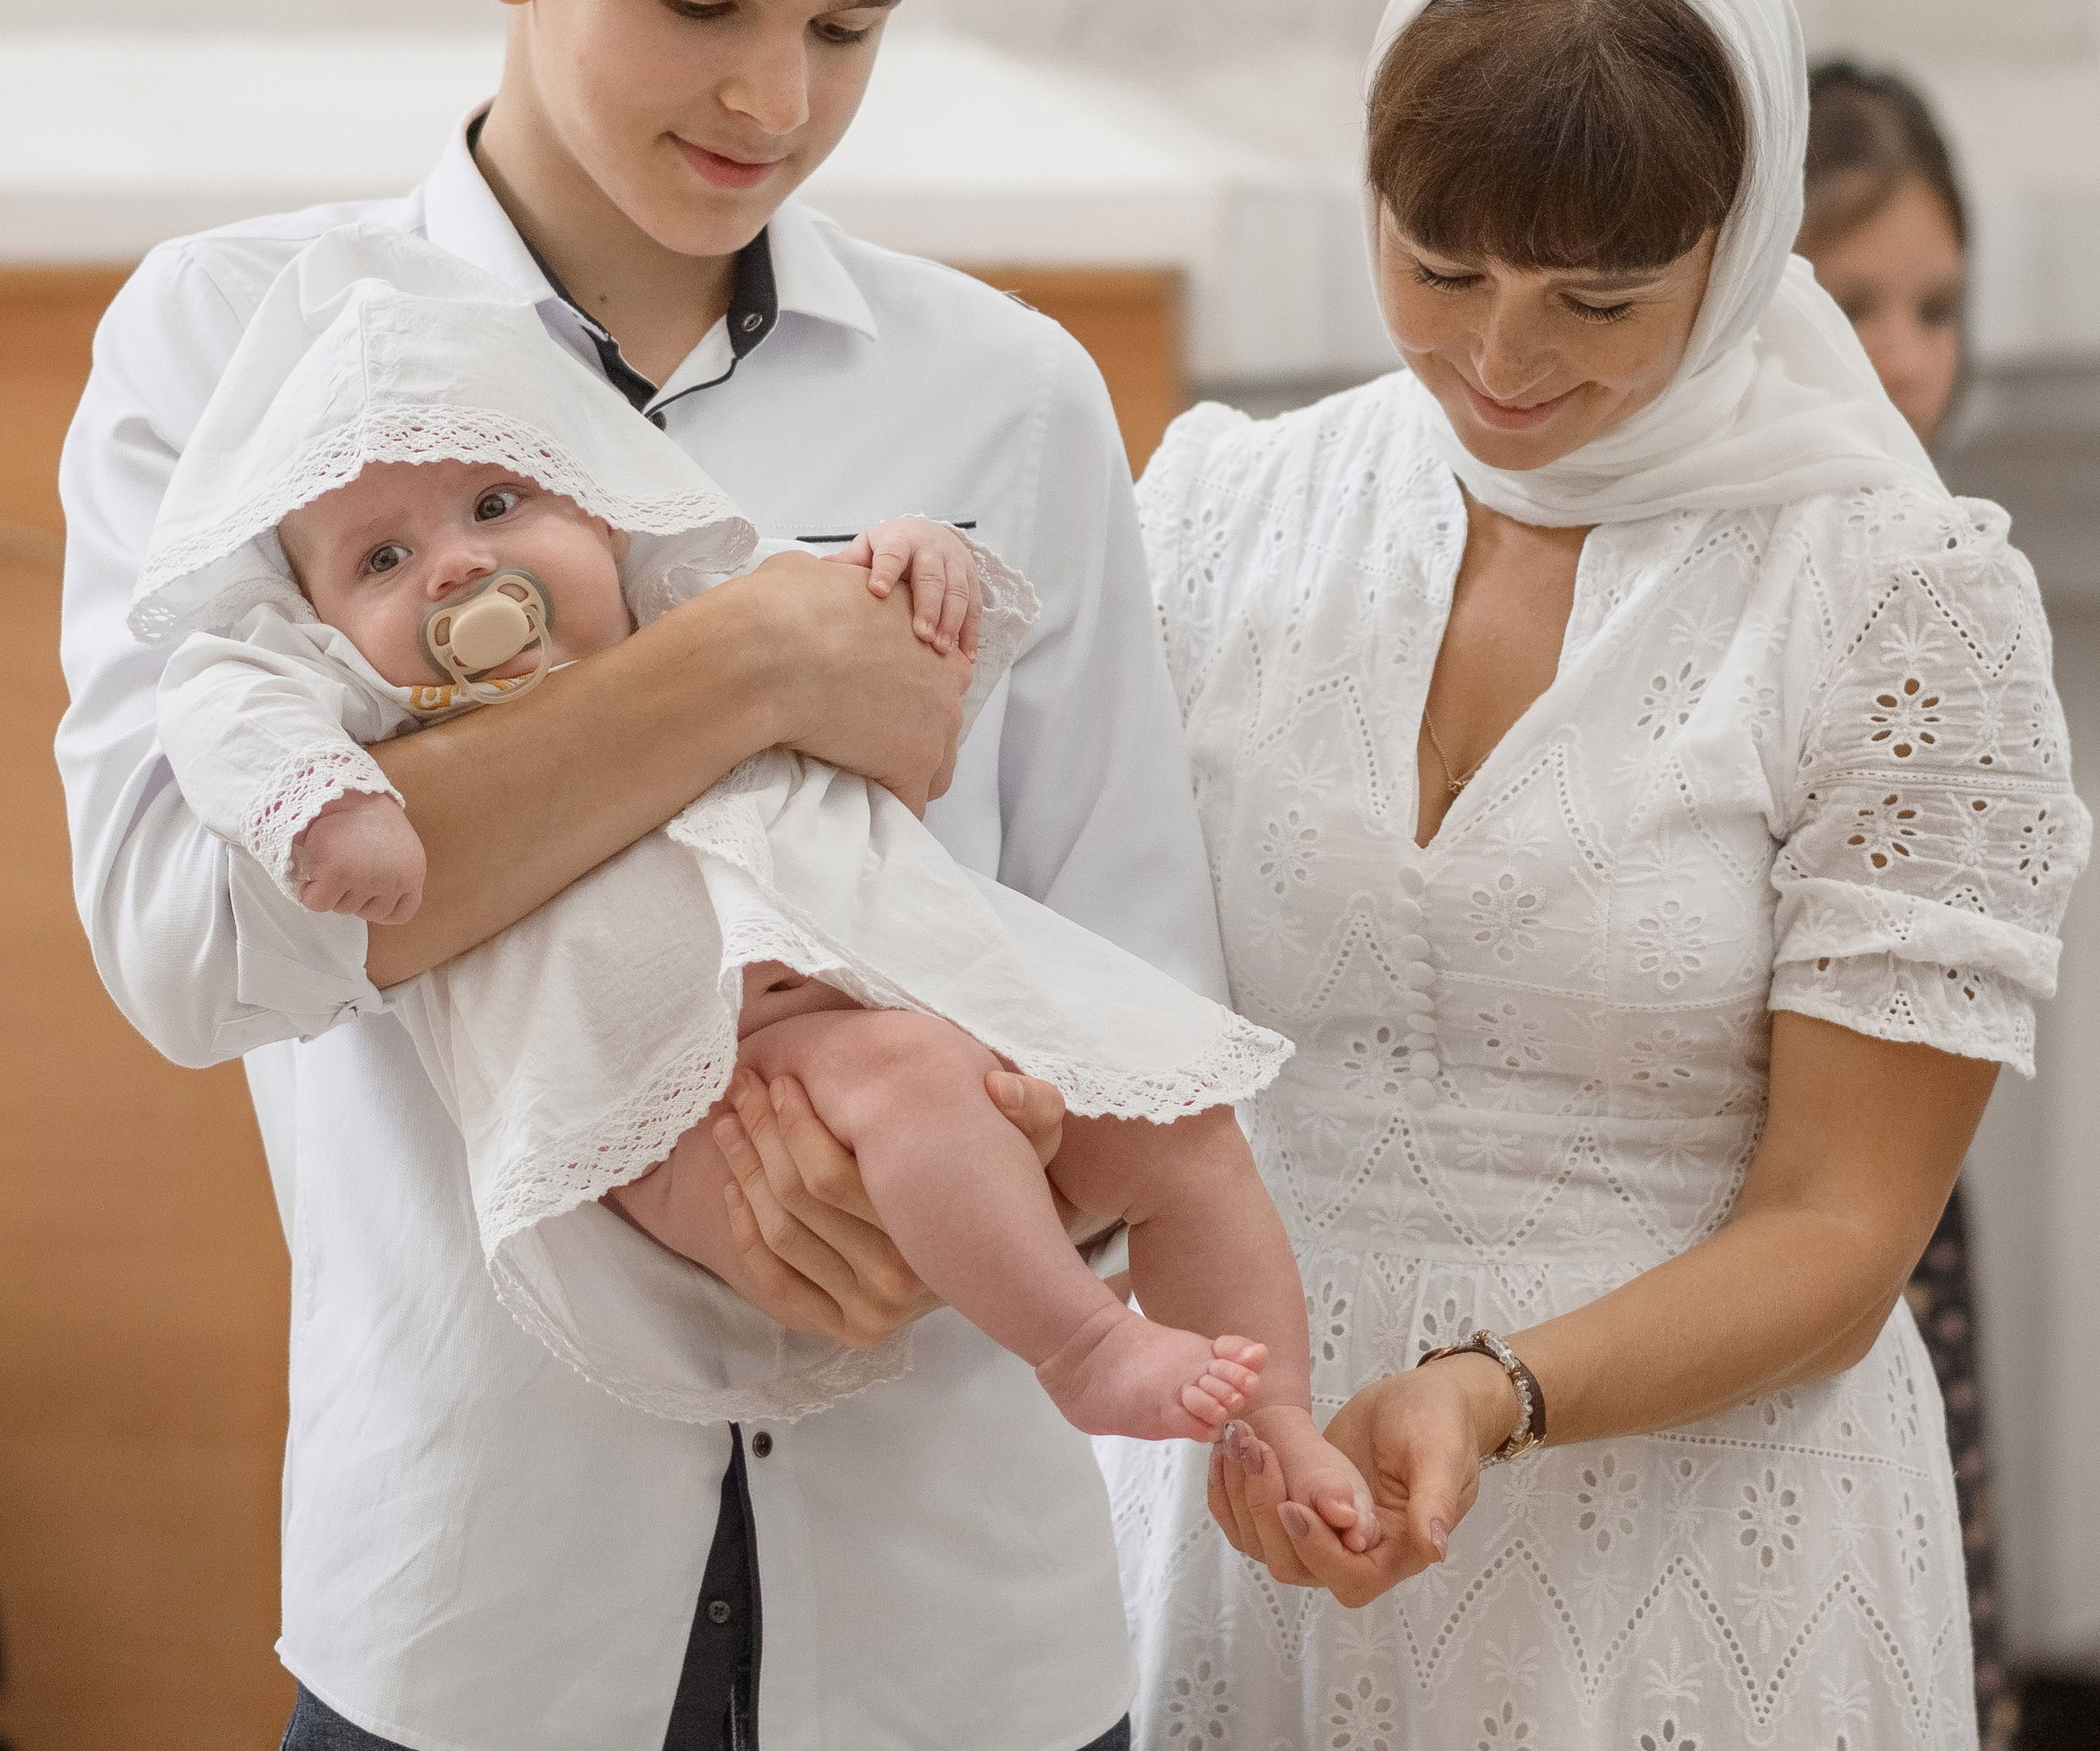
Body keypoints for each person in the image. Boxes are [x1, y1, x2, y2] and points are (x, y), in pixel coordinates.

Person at [55, 0, 1225, 1751]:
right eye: (702, 1)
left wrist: (948, 1194)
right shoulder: (228, 360)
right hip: (476, 1648)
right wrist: (749, 666)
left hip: (970, 1662)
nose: (776, 98)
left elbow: (1131, 970)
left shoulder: (1012, 401)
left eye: (852, 25)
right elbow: (197, 941)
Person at [1098, 0, 2086, 1751]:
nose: (1502, 356)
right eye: (1436, 265)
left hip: (1684, 1574)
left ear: (1735, 252)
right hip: (1254, 1537)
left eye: (1598, 298)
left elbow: (1843, 1224)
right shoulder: (1229, 514)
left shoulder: (1895, 595)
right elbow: (1101, 1016)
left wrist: (1494, 1390)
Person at [134, 224, 1372, 1500]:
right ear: (327, 627)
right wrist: (331, 805)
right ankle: (1086, 1348)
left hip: (899, 1003)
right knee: (911, 1077)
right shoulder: (375, 707)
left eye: (498, 505)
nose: (460, 564)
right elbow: (225, 707)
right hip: (686, 1097)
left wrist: (918, 558)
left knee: (1175, 1117)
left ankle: (1276, 1419)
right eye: (383, 560)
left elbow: (852, 622)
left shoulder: (685, 599)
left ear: (597, 517)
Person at [1795, 60, 2026, 1751]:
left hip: (1886, 1198)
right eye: (1855, 299)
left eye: (1935, 308)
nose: (1904, 355)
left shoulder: (1948, 568)